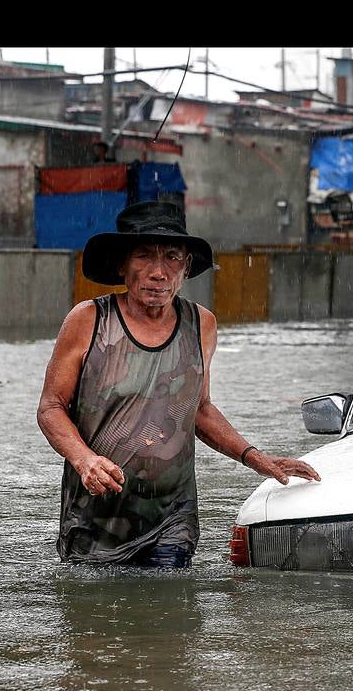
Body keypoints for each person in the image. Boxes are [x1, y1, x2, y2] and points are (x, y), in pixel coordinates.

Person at [36, 200, 320, 567]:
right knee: (100, 617)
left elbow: (198, 409)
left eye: (172, 257)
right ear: (122, 265)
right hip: (97, 518)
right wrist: (85, 460)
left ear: (186, 268)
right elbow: (51, 407)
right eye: (144, 257)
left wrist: (255, 458)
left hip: (172, 517)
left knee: (169, 612)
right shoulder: (89, 320)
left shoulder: (201, 324)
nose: (159, 272)